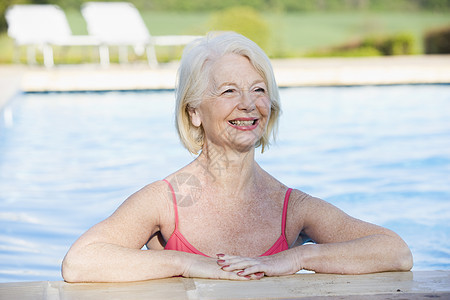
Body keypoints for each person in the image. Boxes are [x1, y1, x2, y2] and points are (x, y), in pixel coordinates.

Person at [61, 32, 413, 282]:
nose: (248, 103)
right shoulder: (167, 199)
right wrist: (187, 264)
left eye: (258, 90)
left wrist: (295, 259)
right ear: (194, 111)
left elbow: (395, 252)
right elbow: (79, 263)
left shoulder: (291, 206)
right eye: (229, 91)